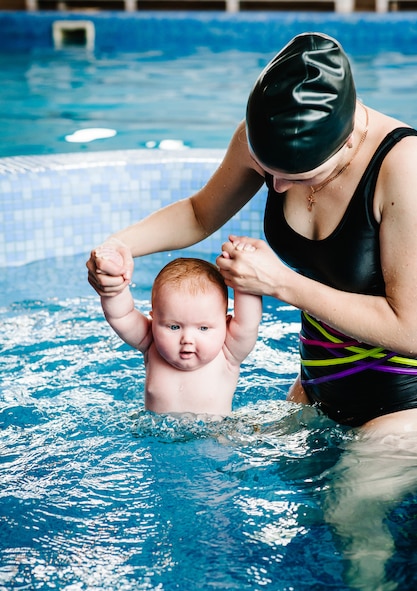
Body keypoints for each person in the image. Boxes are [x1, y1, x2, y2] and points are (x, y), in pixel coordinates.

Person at [87, 31, 417, 434]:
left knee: (340, 498)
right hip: (318, 388)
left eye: (296, 177)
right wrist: (118, 247)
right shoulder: (264, 134)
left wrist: (281, 283)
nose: (274, 188)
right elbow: (198, 213)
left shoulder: (403, 169)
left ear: (347, 143)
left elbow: (411, 329)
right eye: (267, 171)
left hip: (404, 405)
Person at [90, 248, 262, 415]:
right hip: (155, 441)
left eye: (203, 328)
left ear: (226, 325)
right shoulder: (150, 342)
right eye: (174, 327)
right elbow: (121, 316)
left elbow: (248, 322)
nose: (187, 339)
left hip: (214, 440)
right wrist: (114, 289)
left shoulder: (228, 353)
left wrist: (244, 277)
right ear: (154, 321)